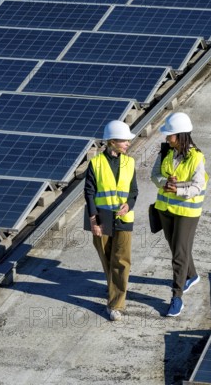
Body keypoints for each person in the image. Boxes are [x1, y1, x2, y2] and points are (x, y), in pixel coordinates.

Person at [150, 112, 208, 317]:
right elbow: (154, 174)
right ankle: (191, 275)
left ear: (181, 135)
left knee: (178, 255)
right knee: (177, 248)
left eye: (170, 135)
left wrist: (179, 190)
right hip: (165, 210)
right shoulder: (165, 151)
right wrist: (164, 183)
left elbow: (199, 186)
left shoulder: (196, 157)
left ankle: (177, 297)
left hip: (186, 212)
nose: (167, 138)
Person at [84, 120, 138, 321]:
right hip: (102, 219)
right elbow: (89, 193)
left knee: (122, 260)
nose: (127, 144)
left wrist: (129, 205)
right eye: (124, 140)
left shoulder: (130, 162)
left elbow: (133, 191)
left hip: (124, 218)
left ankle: (116, 304)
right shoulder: (96, 163)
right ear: (112, 141)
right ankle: (113, 288)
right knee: (107, 258)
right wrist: (93, 220)